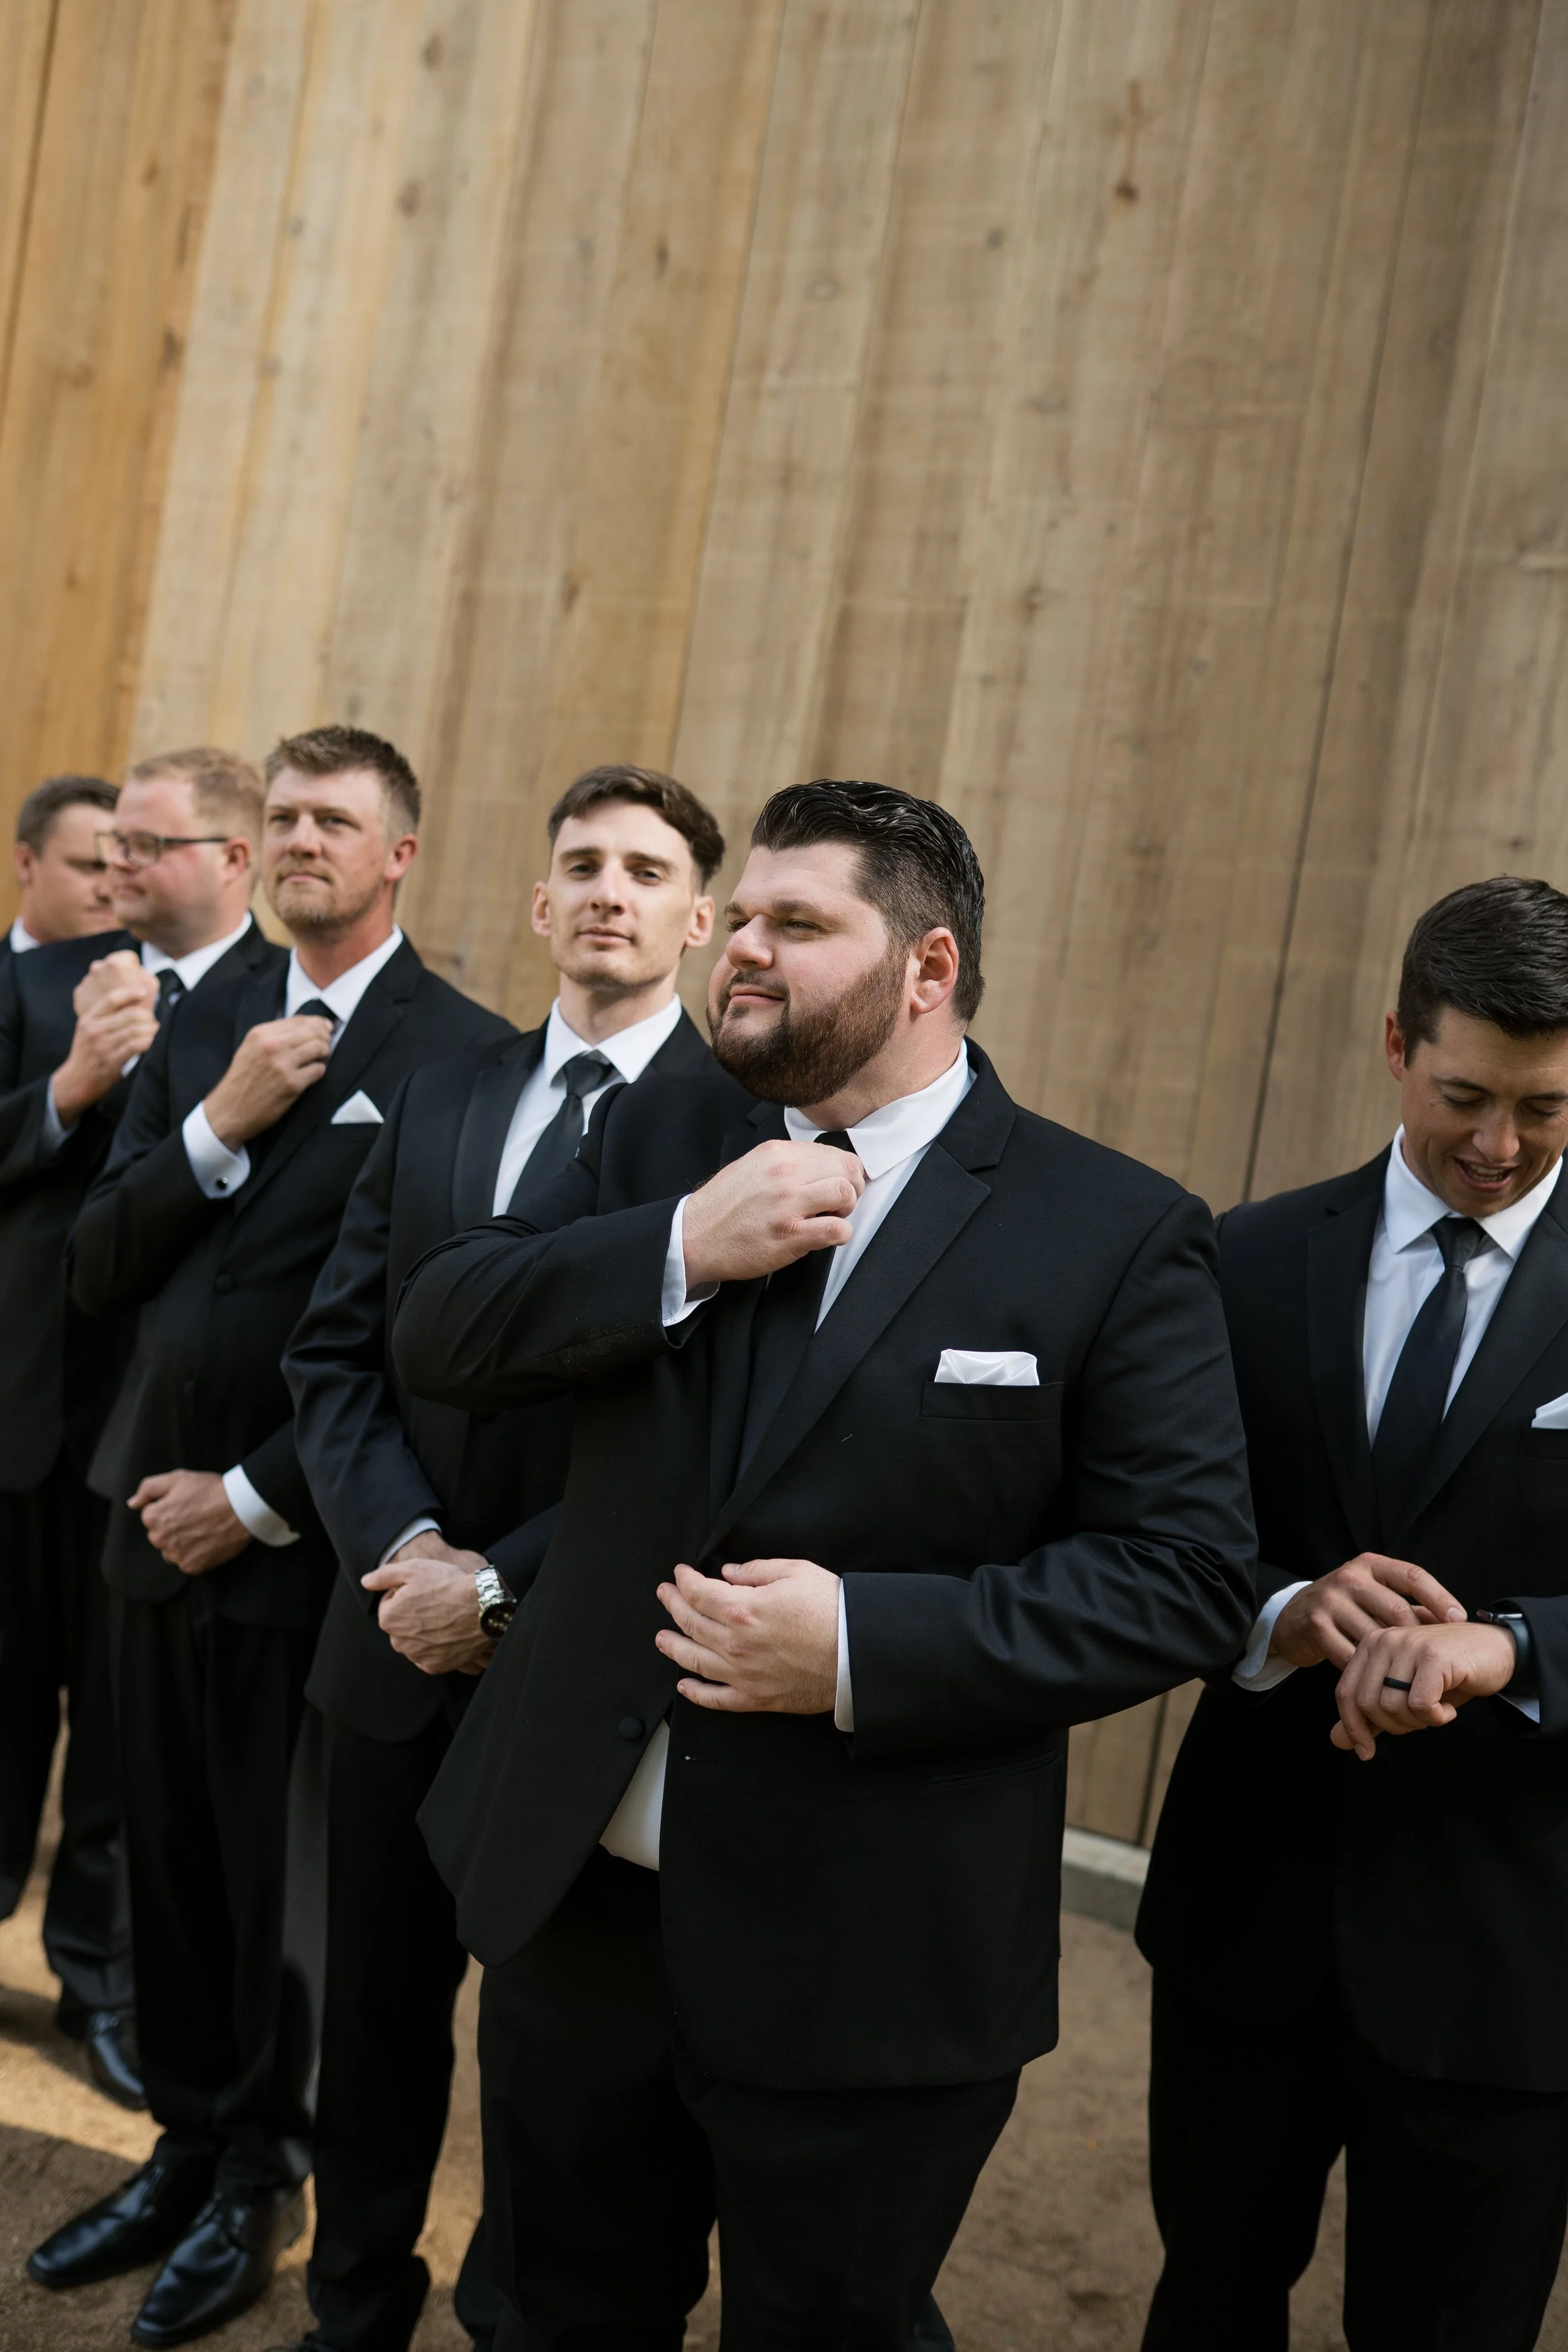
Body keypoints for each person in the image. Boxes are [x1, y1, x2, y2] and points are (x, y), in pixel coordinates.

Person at [391, 778, 1258, 2352]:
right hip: (579, 1905)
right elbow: (443, 1326)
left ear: (925, 969)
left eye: (799, 924)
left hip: (867, 1953)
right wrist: (677, 1246)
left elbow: (1183, 1578)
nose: (741, 951)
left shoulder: (1112, 1229)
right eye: (743, 919)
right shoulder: (661, 1133)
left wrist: (860, 1646)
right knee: (543, 2317)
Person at [28, 726, 512, 2351]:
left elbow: (421, 1343)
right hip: (136, 1518)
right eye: (285, 815)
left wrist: (251, 1496)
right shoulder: (208, 1020)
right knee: (162, 1858)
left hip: (305, 1551)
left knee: (277, 1890)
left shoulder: (465, 1056)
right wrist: (218, 1123)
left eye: (336, 820)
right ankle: (177, 2143)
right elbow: (100, 1258)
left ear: (400, 858)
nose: (303, 837)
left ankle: (260, 2177)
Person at [280, 763, 723, 2352]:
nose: (608, 890)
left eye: (646, 869)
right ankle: (351, 2308)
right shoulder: (445, 1094)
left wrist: (498, 1582)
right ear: (540, 905)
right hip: (387, 1639)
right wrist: (406, 1555)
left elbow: (694, 1426)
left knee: (561, 2072)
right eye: (581, 865)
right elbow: (336, 1356)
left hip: (575, 1660)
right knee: (373, 2024)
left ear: (697, 915)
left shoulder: (732, 1127)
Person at [1137, 874, 1568, 2352]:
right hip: (1245, 1912)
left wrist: (1503, 1646)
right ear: (1393, 1041)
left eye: (1547, 1109)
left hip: (1512, 1947)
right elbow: (1151, 1542)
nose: (1498, 1147)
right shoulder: (1239, 1259)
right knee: (1206, 2299)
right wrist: (1278, 1608)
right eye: (1463, 1095)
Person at [0, 757, 278, 2110]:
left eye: (144, 849)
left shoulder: (282, 1009)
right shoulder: (53, 990)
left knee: (121, 1740)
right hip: (21, 1407)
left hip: (153, 1425)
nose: (115, 876)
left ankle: (93, 1979)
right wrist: (71, 1080)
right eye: (104, 853)